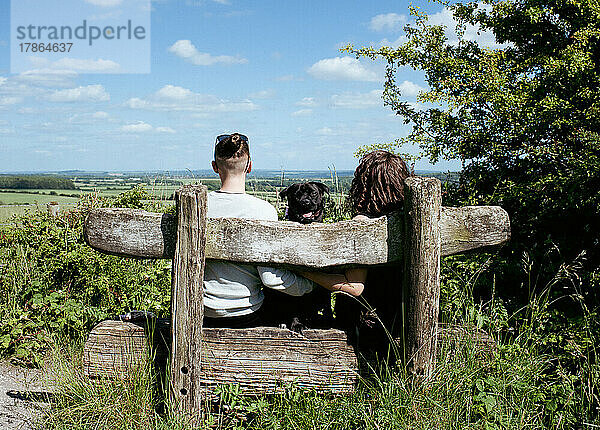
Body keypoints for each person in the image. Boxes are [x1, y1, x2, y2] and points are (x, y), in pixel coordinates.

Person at [203, 133, 362, 328]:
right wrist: (312, 285)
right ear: (250, 166)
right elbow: (270, 279)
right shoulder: (263, 211)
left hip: (201, 310)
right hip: (246, 312)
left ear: (214, 166)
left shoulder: (200, 205)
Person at [299, 150, 412, 353]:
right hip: (400, 316)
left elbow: (353, 288)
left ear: (364, 185)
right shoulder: (408, 219)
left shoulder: (362, 224)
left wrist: (304, 272)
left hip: (364, 325)